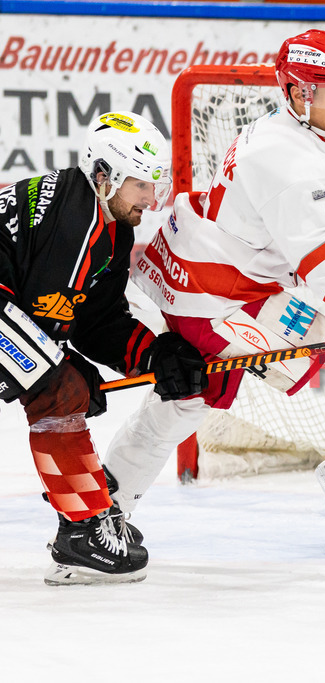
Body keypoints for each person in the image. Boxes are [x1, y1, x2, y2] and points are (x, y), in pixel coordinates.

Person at [103, 29, 325, 562]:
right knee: (193, 398)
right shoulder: (283, 161)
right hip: (207, 291)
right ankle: (100, 512)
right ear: (299, 94)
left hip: (250, 281)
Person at [0, 111, 208, 585]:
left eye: (156, 186)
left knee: (59, 382)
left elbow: (96, 321)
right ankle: (82, 530)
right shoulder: (71, 223)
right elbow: (41, 335)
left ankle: (87, 520)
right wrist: (64, 367)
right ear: (103, 176)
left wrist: (156, 355)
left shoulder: (110, 224)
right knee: (58, 389)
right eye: (142, 186)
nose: (152, 201)